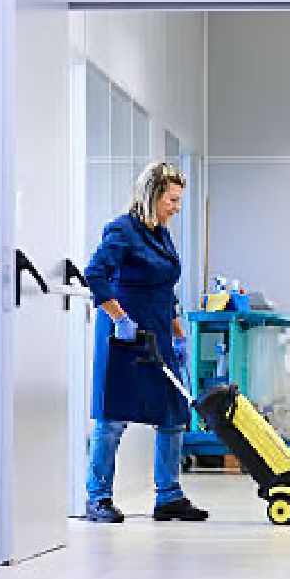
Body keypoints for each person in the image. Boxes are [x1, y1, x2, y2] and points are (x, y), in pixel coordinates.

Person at [83, 161, 209, 523]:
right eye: (172, 199)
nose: (177, 207)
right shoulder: (123, 230)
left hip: (158, 332)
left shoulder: (161, 233)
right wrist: (119, 318)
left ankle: (168, 496)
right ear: (152, 195)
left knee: (173, 412)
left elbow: (165, 289)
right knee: (113, 417)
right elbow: (95, 274)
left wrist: (179, 335)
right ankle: (98, 498)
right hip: (125, 335)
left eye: (179, 200)